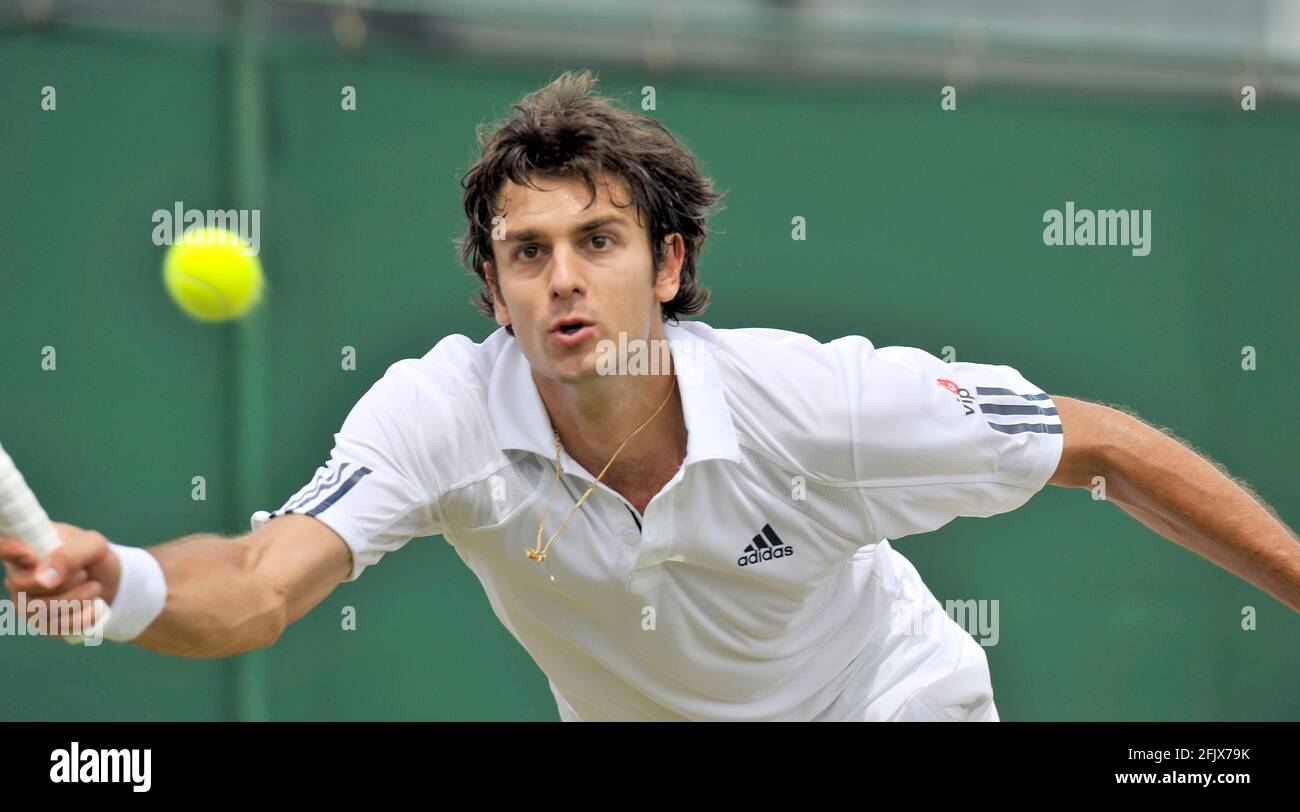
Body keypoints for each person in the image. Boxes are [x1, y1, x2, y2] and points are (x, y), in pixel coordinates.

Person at [4, 70, 1297, 721]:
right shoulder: (437, 415)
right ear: (493, 292)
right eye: (527, 253)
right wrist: (120, 584)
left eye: (600, 241)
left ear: (669, 267)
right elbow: (256, 585)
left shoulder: (821, 405)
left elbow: (1101, 445)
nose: (564, 279)